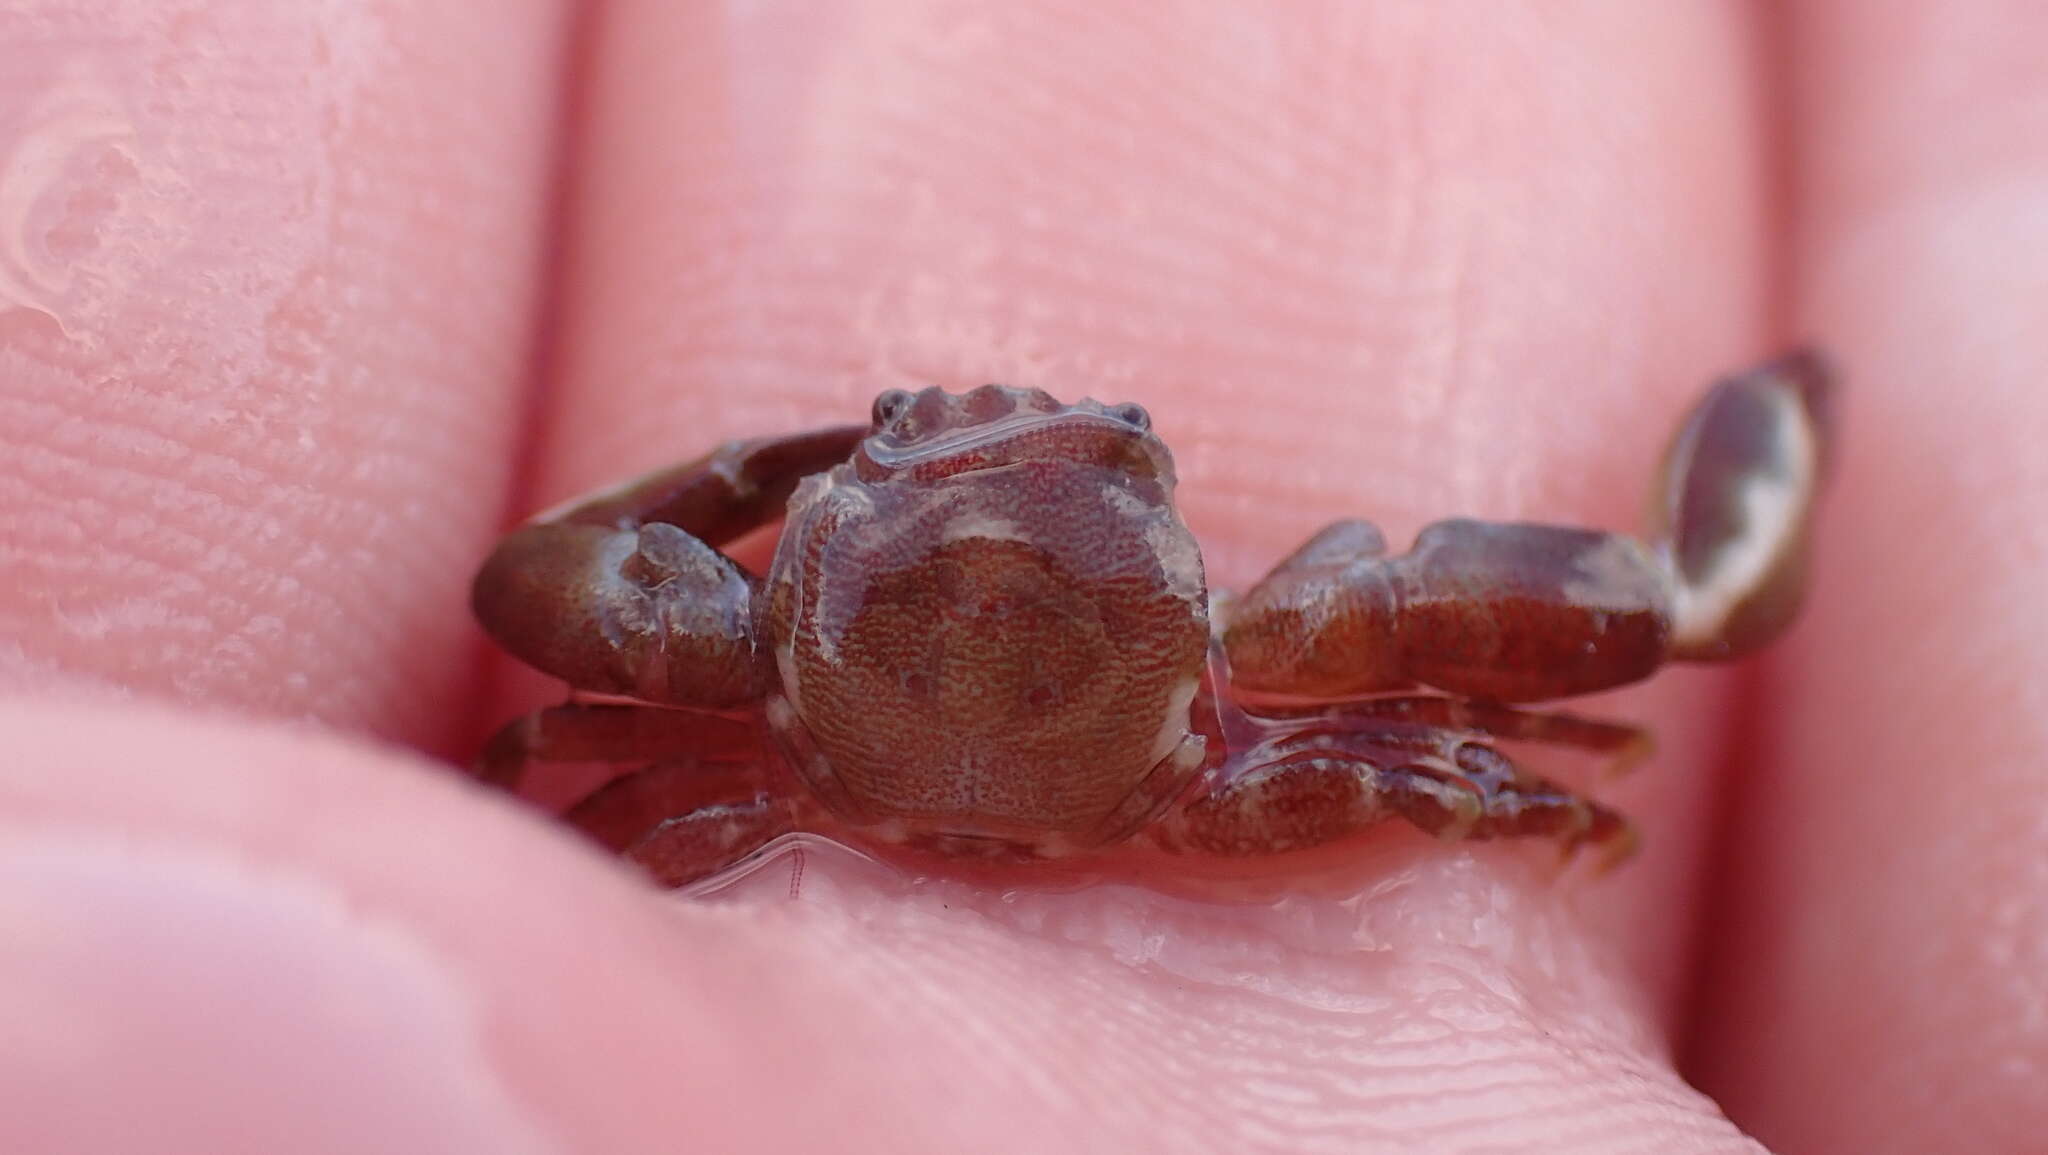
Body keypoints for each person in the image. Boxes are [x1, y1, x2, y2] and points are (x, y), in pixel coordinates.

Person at [0, 4, 2038, 1152]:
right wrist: (1481, 755)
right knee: (1510, 716)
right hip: (1171, 781)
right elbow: (1645, 612)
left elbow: (535, 602)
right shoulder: (1285, 685)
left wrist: (786, 468)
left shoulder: (719, 728)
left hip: (801, 774)